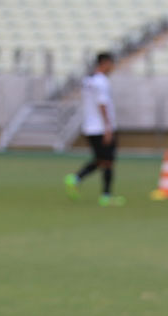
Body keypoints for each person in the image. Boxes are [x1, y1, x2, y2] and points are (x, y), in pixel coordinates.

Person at [64, 52, 125, 206]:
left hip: (89, 126)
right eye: (111, 64)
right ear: (104, 63)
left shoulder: (88, 81)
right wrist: (108, 128)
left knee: (100, 160)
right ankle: (106, 196)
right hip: (100, 127)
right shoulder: (102, 82)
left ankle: (76, 178)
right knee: (108, 162)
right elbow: (102, 105)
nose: (112, 67)